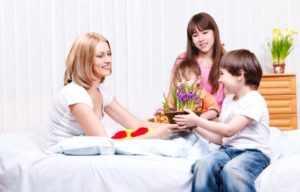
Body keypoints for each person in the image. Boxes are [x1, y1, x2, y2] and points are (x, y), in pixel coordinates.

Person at [47, 32, 177, 146]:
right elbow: (104, 143)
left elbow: (136, 124)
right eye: (100, 56)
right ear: (85, 61)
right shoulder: (74, 94)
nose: (108, 60)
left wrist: (174, 127)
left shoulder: (101, 92)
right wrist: (155, 136)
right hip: (64, 150)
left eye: (109, 54)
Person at [174, 49, 271, 192]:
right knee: (203, 165)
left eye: (222, 74)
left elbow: (229, 130)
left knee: (232, 171)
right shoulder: (228, 101)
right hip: (227, 150)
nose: (219, 79)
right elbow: (221, 139)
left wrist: (198, 120)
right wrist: (194, 125)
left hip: (253, 153)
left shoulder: (254, 100)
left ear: (239, 74)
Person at [168, 12, 225, 109]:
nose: (201, 39)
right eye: (195, 35)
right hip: (186, 115)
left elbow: (230, 101)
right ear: (191, 41)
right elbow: (172, 94)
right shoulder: (182, 60)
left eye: (205, 33)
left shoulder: (225, 61)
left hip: (216, 117)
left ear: (214, 33)